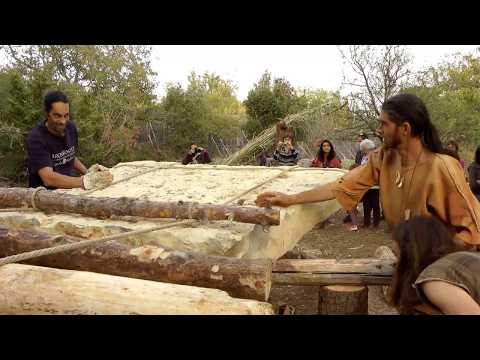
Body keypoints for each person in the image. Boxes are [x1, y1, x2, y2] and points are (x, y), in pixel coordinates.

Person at [256, 93, 480, 249]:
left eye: (384, 125)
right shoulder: (384, 158)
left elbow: (472, 233)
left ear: (405, 129)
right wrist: (291, 199)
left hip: (445, 273)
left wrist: (425, 256)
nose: (378, 130)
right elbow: (340, 186)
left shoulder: (442, 167)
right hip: (409, 270)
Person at [390, 216, 480, 315]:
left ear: (409, 254)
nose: (394, 264)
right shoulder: (461, 262)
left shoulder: (435, 279)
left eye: (396, 255)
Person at [26, 90, 113, 190]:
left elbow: (69, 156)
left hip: (69, 189)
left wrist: (88, 173)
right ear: (46, 113)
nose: (63, 121)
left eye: (66, 115)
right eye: (57, 116)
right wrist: (85, 181)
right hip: (45, 196)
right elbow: (48, 178)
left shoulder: (70, 128)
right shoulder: (36, 138)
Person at [359, 139, 381, 228]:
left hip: (374, 185)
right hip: (365, 184)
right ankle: (366, 222)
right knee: (366, 204)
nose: (364, 151)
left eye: (365, 149)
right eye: (363, 149)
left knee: (375, 204)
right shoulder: (363, 158)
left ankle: (376, 222)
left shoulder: (376, 157)